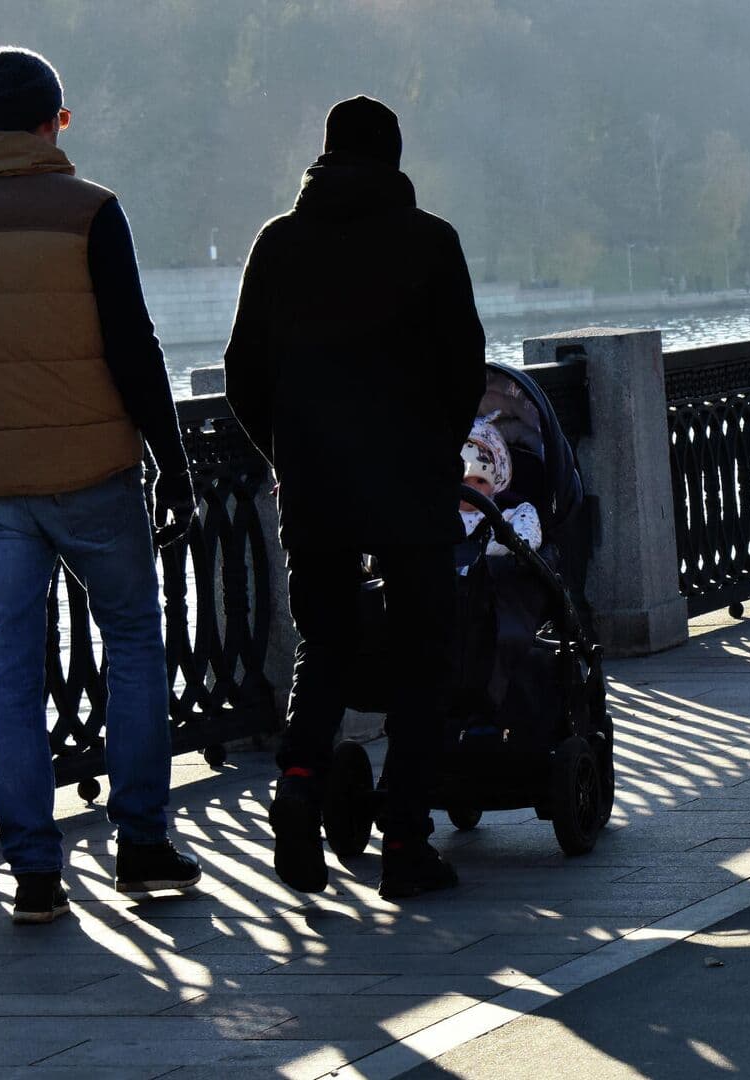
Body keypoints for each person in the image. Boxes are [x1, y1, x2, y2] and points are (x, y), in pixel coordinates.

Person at [0, 47, 202, 924]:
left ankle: (33, 868)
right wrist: (171, 463)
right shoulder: (91, 212)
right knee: (134, 645)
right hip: (94, 475)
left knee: (8, 669)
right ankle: (141, 844)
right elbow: (133, 347)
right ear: (52, 120)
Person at [224, 95, 486, 900]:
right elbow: (464, 368)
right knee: (421, 661)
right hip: (412, 486)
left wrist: (289, 454)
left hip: (318, 488)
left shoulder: (278, 242)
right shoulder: (431, 242)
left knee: (326, 647)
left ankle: (299, 785)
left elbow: (242, 373)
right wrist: (437, 453)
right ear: (394, 159)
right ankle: (404, 840)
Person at [458, 414, 542, 571]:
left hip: (490, 572)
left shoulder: (504, 513)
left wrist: (512, 543)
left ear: (496, 482)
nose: (471, 490)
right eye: (463, 482)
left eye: (480, 481)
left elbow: (527, 520)